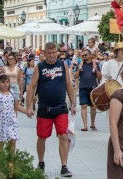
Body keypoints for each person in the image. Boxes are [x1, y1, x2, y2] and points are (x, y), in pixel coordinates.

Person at [26, 42, 76, 177]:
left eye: (54, 52)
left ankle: (64, 166)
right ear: (44, 54)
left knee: (63, 136)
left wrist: (73, 104)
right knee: (42, 137)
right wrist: (29, 106)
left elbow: (69, 85)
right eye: (49, 53)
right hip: (44, 108)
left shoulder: (62, 65)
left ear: (57, 52)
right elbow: (31, 87)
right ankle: (41, 162)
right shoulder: (40, 67)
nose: (52, 55)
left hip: (60, 107)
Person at [0, 74, 27, 151]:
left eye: (7, 82)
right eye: (3, 82)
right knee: (0, 142)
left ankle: (11, 160)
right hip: (0, 122)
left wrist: (27, 111)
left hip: (11, 121)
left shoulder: (12, 93)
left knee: (13, 140)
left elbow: (17, 106)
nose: (5, 84)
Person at [74, 50, 102, 131]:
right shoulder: (80, 64)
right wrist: (79, 69)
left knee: (93, 107)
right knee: (84, 106)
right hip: (83, 87)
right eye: (82, 55)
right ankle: (85, 125)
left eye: (85, 55)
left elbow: (100, 77)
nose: (84, 56)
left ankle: (92, 123)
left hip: (93, 88)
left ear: (90, 55)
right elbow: (75, 76)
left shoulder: (95, 64)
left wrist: (96, 69)